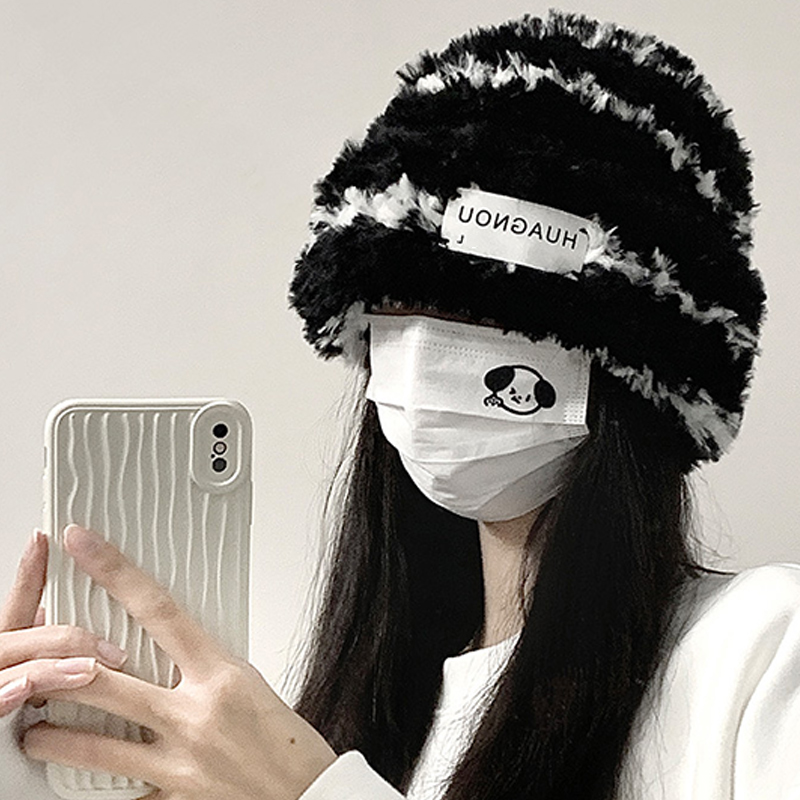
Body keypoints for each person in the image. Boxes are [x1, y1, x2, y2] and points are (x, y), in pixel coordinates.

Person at [2, 10, 799, 800]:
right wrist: (30, 771)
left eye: (488, 312)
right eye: (399, 307)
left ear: (641, 367)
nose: (426, 351)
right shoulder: (375, 715)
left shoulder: (762, 646)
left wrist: (311, 794)